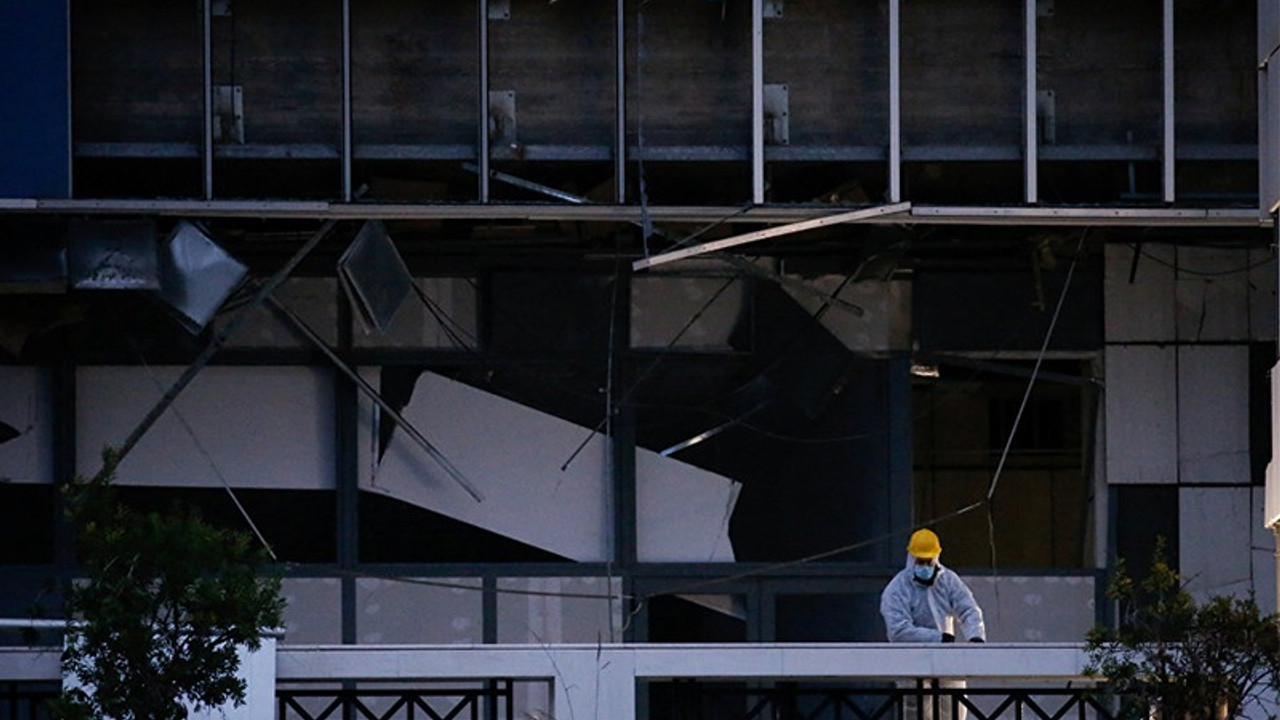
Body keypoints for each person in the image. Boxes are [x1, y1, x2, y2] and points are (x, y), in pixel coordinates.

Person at [880, 528, 986, 720]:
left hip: (946, 658)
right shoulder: (897, 589)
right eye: (920, 562)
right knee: (914, 711)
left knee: (953, 710)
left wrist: (975, 636)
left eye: (929, 561)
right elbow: (898, 630)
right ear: (912, 559)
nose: (926, 566)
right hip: (911, 660)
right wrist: (937, 638)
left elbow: (968, 609)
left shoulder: (948, 581)